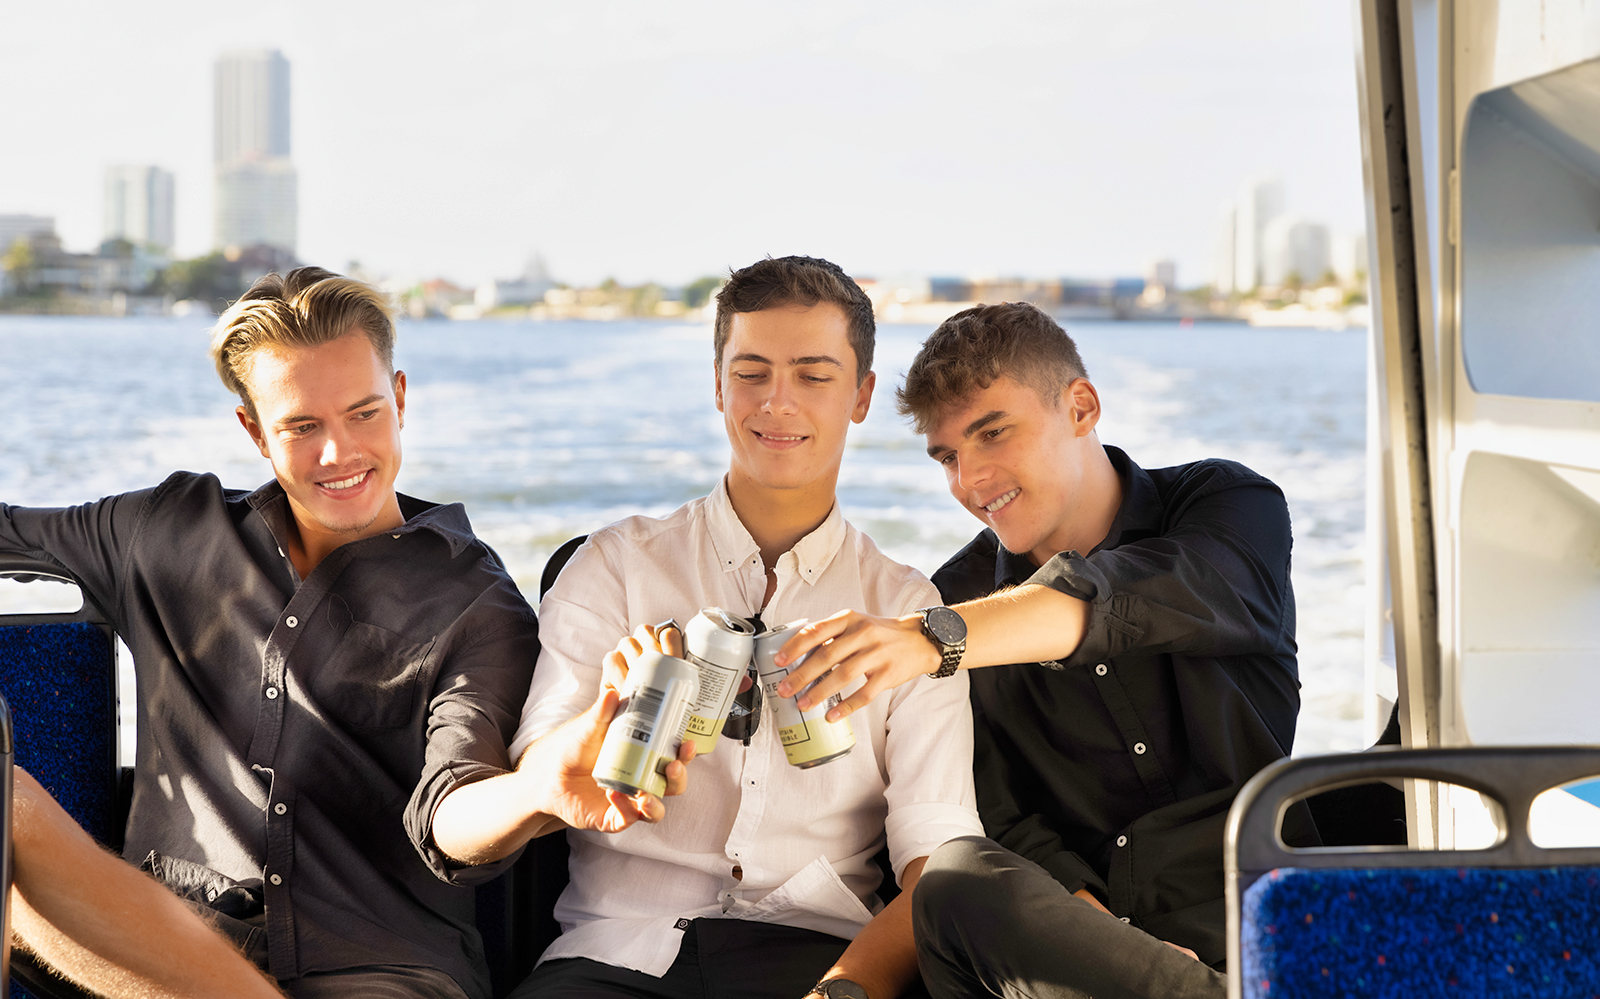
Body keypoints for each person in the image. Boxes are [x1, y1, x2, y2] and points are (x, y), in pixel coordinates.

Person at [429, 255, 985, 999]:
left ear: (860, 396)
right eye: (751, 371)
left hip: (817, 955)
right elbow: (540, 776)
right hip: (613, 954)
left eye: (814, 376)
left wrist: (846, 991)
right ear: (717, 384)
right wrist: (581, 753)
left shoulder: (908, 613)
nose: (776, 402)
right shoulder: (613, 567)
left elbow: (939, 858)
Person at [0, 267, 541, 998]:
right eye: (301, 425)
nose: (338, 453)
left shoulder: (476, 601)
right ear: (254, 429)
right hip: (149, 957)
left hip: (378, 972)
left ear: (402, 399)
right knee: (10, 801)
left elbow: (460, 797)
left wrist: (539, 793)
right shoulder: (166, 529)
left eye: (364, 413)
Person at [775, 302, 1308, 998]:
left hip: (1266, 912)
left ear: (1081, 407)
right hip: (1079, 959)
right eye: (948, 456)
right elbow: (1006, 820)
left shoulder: (1228, 504)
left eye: (992, 432)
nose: (969, 480)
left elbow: (1128, 596)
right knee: (958, 877)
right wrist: (1114, 945)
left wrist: (932, 638)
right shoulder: (954, 593)